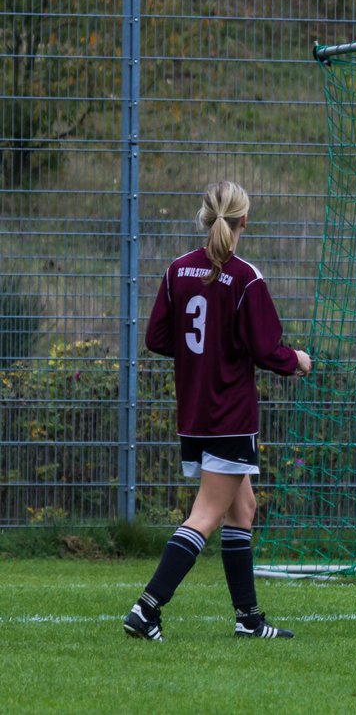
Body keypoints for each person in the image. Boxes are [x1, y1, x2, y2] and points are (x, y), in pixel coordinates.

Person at [124, 181, 312, 642]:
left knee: (241, 508)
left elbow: (156, 338)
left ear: (205, 218)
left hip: (194, 412)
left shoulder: (176, 271)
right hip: (229, 414)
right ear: (244, 220)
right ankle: (145, 610)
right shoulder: (246, 277)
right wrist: (297, 361)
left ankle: (248, 619)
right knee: (206, 515)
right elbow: (268, 350)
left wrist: (202, 359)